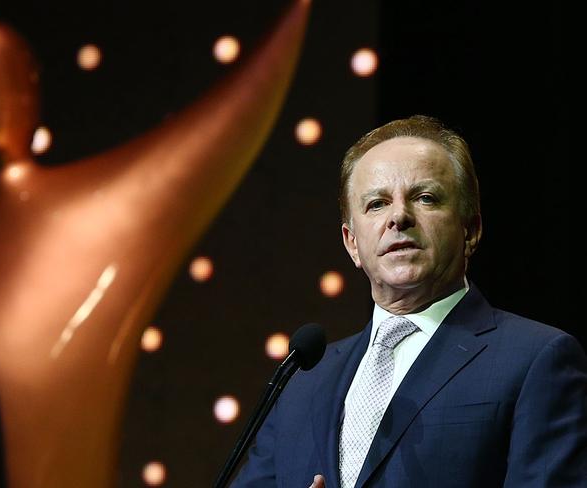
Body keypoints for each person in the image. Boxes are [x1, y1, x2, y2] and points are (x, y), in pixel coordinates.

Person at [230, 115, 587, 487]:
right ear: (352, 242)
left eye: (425, 197)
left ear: (471, 230)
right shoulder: (303, 381)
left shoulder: (535, 359)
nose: (399, 216)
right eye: (377, 204)